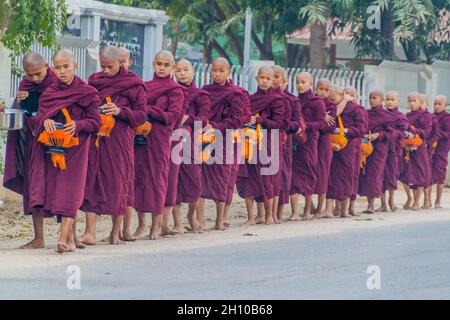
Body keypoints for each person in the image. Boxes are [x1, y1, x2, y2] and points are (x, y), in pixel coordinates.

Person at [28, 49, 101, 253]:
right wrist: (47, 121)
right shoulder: (50, 92)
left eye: (66, 67)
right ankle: (69, 239)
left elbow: (96, 122)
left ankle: (63, 240)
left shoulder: (86, 91)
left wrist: (78, 125)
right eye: (58, 67)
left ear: (75, 66)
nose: (62, 71)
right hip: (55, 148)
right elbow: (40, 119)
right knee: (59, 192)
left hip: (78, 148)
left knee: (71, 191)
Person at [79, 46, 147, 245]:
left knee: (118, 181)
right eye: (103, 67)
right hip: (98, 137)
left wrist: (120, 111)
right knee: (92, 179)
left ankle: (115, 232)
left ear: (120, 62)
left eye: (110, 67)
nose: (106, 71)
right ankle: (89, 232)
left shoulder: (134, 84)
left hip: (119, 140)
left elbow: (141, 115)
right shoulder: (95, 80)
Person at [3, 52, 57, 249]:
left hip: (54, 141)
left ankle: (69, 236)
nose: (34, 79)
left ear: (47, 66)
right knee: (33, 186)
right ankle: (39, 238)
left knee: (59, 186)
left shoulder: (56, 80)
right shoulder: (26, 84)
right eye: (29, 75)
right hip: (32, 142)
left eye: (38, 74)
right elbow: (19, 110)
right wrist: (19, 100)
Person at [133, 50, 186, 240]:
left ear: (172, 67)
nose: (162, 68)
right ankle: (141, 224)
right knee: (139, 179)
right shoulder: (144, 87)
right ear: (153, 64)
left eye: (166, 65)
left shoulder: (176, 90)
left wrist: (149, 110)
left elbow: (172, 116)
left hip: (161, 139)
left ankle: (156, 226)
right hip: (141, 138)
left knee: (157, 180)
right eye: (159, 64)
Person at [236, 66, 284, 225]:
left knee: (267, 178)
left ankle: (269, 214)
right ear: (257, 79)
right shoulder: (249, 98)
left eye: (268, 78)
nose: (264, 81)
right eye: (261, 78)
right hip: (250, 141)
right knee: (250, 177)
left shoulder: (277, 100)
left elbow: (278, 123)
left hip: (268, 141)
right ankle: (252, 217)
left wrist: (259, 120)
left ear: (273, 81)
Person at [201, 57, 244, 230]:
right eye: (214, 70)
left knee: (221, 178)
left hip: (224, 139)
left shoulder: (235, 94)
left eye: (221, 71)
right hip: (204, 138)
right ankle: (200, 219)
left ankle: (219, 220)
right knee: (201, 178)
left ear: (229, 72)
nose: (217, 74)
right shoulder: (205, 91)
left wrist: (215, 126)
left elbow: (237, 120)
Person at [173, 59, 210, 233]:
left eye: (186, 69)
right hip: (171, 140)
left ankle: (191, 215)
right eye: (178, 70)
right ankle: (177, 222)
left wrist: (188, 119)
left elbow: (203, 119)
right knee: (174, 181)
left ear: (193, 72)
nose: (182, 73)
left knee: (194, 181)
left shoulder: (200, 94)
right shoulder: (171, 91)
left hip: (192, 141)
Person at [290, 72, 326, 221]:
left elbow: (322, 123)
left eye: (303, 82)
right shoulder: (294, 100)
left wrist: (305, 126)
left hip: (310, 141)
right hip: (295, 141)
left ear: (310, 83)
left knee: (309, 172)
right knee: (293, 175)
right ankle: (294, 212)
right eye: (297, 82)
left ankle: (306, 210)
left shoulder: (317, 102)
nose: (300, 85)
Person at [325, 87, 366, 217]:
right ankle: (331, 209)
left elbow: (361, 130)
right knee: (331, 176)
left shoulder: (357, 109)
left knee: (347, 176)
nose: (332, 101)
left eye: (352, 94)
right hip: (333, 145)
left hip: (350, 147)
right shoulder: (333, 107)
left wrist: (345, 131)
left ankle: (344, 209)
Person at [358, 91, 394, 213]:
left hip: (379, 148)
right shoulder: (366, 113)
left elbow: (391, 133)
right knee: (366, 173)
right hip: (366, 146)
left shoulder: (386, 115)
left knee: (374, 174)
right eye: (370, 98)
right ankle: (369, 203)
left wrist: (378, 134)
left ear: (381, 99)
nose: (372, 100)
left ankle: (371, 205)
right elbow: (362, 126)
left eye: (375, 98)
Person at [400, 92, 432, 210]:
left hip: (420, 148)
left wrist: (414, 132)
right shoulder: (407, 115)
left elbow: (427, 132)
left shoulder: (425, 115)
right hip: (408, 148)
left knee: (420, 173)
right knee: (411, 174)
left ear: (420, 102)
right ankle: (413, 199)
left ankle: (417, 202)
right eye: (410, 101)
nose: (412, 103)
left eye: (414, 101)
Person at [379, 91, 408, 212]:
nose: (389, 102)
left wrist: (392, 133)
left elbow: (403, 132)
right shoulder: (380, 114)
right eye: (387, 99)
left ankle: (391, 201)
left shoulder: (400, 116)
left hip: (393, 149)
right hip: (381, 148)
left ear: (398, 101)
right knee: (379, 174)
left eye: (392, 99)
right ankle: (382, 203)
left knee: (391, 175)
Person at [313, 79, 337, 218]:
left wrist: (318, 120)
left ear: (330, 92)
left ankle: (319, 209)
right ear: (315, 88)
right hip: (309, 142)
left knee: (322, 175)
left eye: (326, 90)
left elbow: (331, 126)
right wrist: (321, 117)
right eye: (320, 88)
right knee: (307, 172)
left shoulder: (331, 106)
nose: (322, 92)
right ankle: (309, 206)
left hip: (323, 144)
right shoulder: (311, 102)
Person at [420, 94, 440, 209]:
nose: (421, 105)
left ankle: (427, 198)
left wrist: (428, 143)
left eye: (423, 103)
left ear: (427, 104)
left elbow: (436, 133)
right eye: (420, 102)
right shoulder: (413, 116)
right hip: (415, 149)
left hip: (427, 149)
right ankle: (414, 199)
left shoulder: (431, 117)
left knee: (427, 173)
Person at [431, 95, 450, 208]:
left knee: (440, 176)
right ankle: (426, 200)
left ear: (445, 105)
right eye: (435, 104)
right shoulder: (430, 116)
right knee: (427, 174)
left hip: (441, 149)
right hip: (430, 149)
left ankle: (437, 201)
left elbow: (448, 134)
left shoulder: (447, 118)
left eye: (439, 104)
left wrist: (437, 135)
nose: (437, 106)